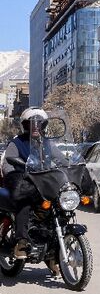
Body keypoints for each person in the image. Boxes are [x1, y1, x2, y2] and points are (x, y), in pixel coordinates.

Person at [1, 108, 46, 259]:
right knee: (24, 202)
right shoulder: (17, 143)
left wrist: (70, 165)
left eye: (39, 124)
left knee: (58, 204)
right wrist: (15, 176)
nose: (36, 127)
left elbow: (58, 159)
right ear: (25, 126)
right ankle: (21, 241)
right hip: (22, 182)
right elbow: (8, 163)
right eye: (32, 124)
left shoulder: (46, 144)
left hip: (41, 184)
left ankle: (52, 246)